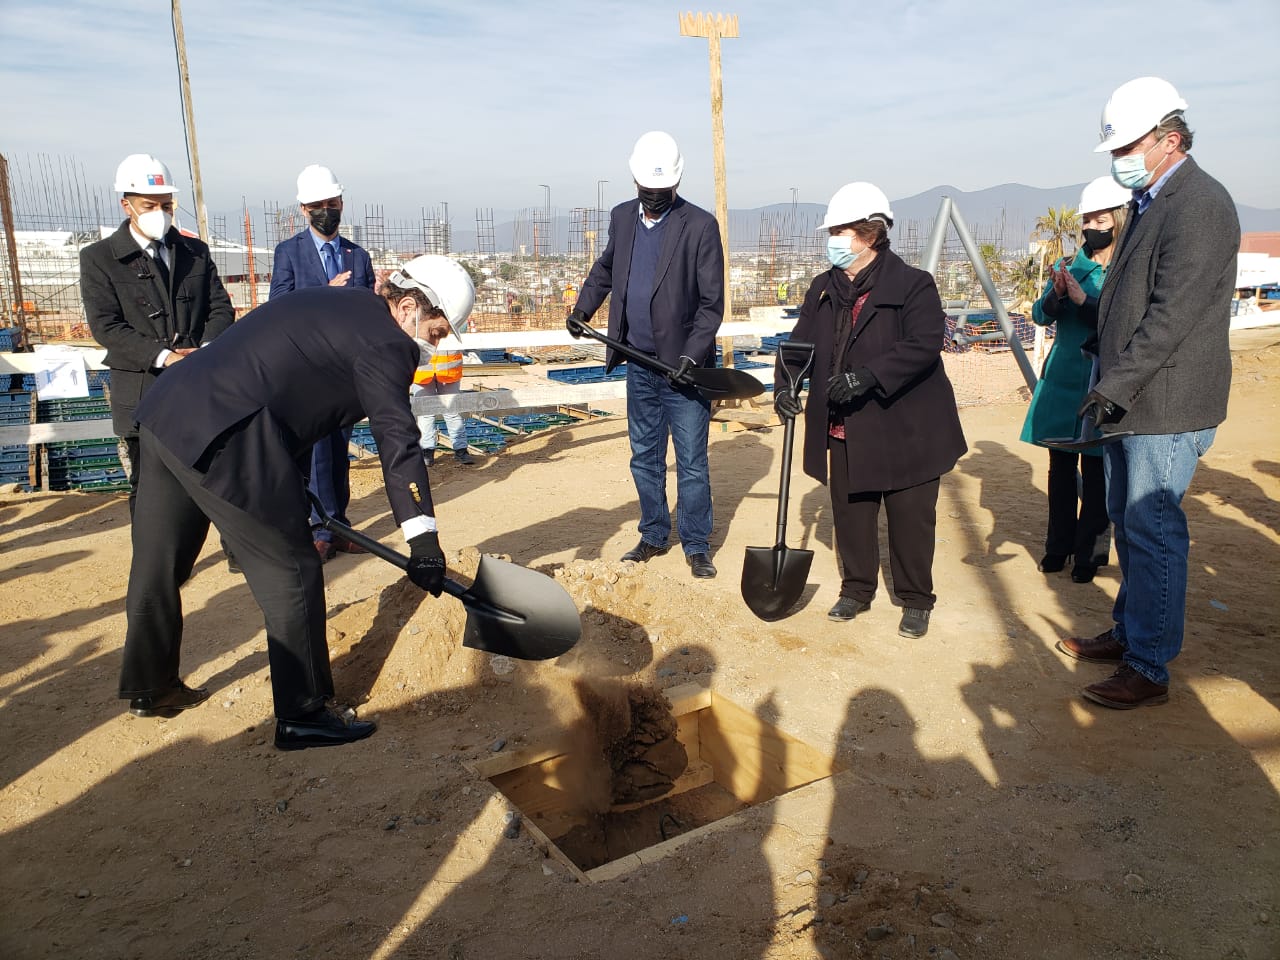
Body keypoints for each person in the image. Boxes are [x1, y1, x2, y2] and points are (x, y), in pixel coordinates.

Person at [118, 255, 473, 750]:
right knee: (293, 570)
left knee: (158, 564)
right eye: (436, 332)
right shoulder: (389, 343)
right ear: (409, 306)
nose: (433, 346)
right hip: (231, 434)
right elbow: (398, 442)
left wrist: (293, 475)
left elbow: (292, 388)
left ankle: (150, 686)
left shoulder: (344, 305)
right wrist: (423, 541)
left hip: (169, 413)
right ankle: (303, 712)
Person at [1056, 78, 1240, 709]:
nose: (1118, 160)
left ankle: (1149, 666)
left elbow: (1172, 314)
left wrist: (1115, 385)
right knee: (1131, 525)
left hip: (1165, 402)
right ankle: (1131, 632)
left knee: (1153, 529)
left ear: (1170, 137)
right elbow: (1128, 303)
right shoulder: (1154, 203)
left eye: (1127, 146)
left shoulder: (1200, 205)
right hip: (1135, 397)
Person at [774, 182, 966, 638]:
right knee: (851, 512)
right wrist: (785, 385)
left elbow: (922, 346)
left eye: (841, 231)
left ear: (870, 234)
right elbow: (798, 346)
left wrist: (868, 376)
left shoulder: (914, 284)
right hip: (846, 427)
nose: (833, 240)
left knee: (910, 518)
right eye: (833, 231)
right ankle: (856, 589)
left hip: (905, 428)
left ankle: (916, 599)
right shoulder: (823, 288)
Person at [567, 131, 725, 579]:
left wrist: (692, 356)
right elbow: (605, 270)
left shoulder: (699, 226)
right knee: (644, 456)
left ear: (675, 184)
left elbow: (712, 303)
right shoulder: (622, 218)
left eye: (661, 193)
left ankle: (695, 543)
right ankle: (654, 533)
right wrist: (582, 309)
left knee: (692, 461)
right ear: (635, 183)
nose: (653, 199)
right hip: (639, 363)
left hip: (683, 372)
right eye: (647, 192)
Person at [80, 154, 234, 512]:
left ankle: (238, 553)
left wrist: (205, 349)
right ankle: (157, 566)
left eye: (166, 205)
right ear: (126, 205)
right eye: (149, 205)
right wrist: (165, 357)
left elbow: (220, 307)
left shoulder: (194, 252)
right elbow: (106, 326)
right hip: (143, 389)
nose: (160, 212)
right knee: (149, 486)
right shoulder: (100, 258)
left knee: (221, 475)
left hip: (198, 382)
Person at [1020, 176, 1132, 583]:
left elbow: (1122, 320)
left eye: (1099, 219)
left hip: (1106, 377)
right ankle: (1058, 546)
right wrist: (1055, 296)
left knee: (1100, 468)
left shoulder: (1129, 268)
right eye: (1087, 218)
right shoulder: (1069, 266)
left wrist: (1085, 302)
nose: (1091, 226)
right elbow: (1039, 316)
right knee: (1060, 468)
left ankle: (1090, 553)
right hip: (1065, 377)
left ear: (1118, 219)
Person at [269, 164, 375, 562]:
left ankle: (339, 523)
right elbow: (278, 305)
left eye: (331, 203)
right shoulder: (289, 253)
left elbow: (367, 313)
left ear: (342, 203)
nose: (325, 211)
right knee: (314, 453)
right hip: (306, 371)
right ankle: (318, 527)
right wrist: (322, 295)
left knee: (339, 450)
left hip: (344, 374)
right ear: (303, 209)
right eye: (317, 205)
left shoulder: (358, 256)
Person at [411, 327, 475, 466]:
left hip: (448, 371)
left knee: (451, 411)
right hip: (423, 372)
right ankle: (427, 451)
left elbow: (461, 330)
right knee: (425, 414)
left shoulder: (453, 316)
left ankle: (460, 450)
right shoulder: (417, 315)